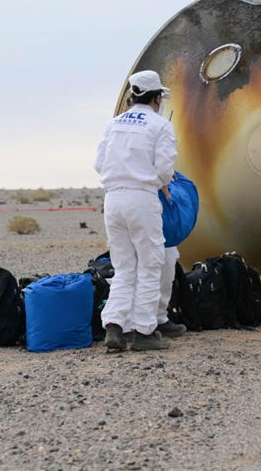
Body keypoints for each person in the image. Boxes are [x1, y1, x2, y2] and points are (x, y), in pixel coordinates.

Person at [94, 70, 177, 351]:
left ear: (132, 96)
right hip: (142, 199)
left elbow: (99, 163)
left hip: (113, 199)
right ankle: (144, 331)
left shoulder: (113, 124)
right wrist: (155, 181)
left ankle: (115, 327)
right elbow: (165, 169)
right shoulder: (160, 125)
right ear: (156, 97)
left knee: (124, 267)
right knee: (151, 264)